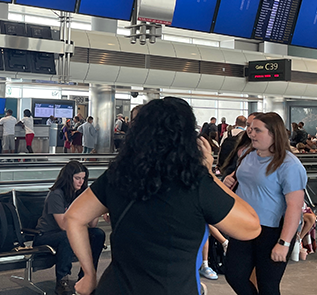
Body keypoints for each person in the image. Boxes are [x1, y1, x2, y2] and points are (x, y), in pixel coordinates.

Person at [64, 97, 260, 295]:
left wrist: (89, 275)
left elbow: (74, 217)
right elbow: (250, 228)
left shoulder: (119, 174)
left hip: (116, 287)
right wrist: (208, 172)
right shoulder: (195, 182)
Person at [223, 112, 308, 295]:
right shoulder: (247, 155)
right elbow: (241, 177)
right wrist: (229, 179)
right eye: (251, 129)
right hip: (244, 226)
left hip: (272, 231)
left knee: (267, 286)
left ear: (273, 134)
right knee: (234, 274)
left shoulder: (289, 165)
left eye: (257, 131)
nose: (251, 134)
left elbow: (294, 207)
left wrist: (284, 243)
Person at [33, 161, 105, 295]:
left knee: (98, 234)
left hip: (67, 234)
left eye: (83, 179)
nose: (81, 182)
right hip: (46, 235)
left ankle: (87, 276)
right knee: (67, 235)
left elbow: (92, 224)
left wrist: (96, 210)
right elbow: (64, 226)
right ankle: (62, 280)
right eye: (77, 178)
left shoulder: (80, 195)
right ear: (68, 178)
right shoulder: (56, 194)